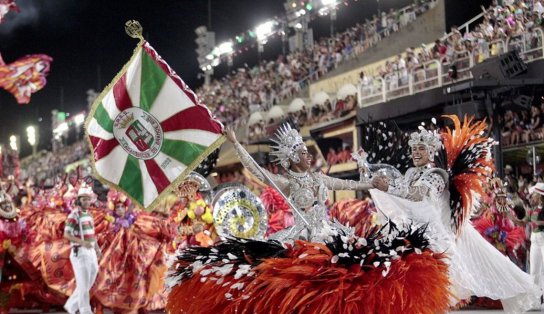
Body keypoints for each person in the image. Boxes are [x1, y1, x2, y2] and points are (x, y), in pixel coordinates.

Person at [371, 124, 540, 313]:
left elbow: (417, 194)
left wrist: (388, 188)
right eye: (413, 149)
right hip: (417, 238)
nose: (416, 152)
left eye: (421, 148)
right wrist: (366, 176)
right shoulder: (410, 174)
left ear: (431, 152)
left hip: (437, 240)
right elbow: (399, 194)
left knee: (437, 289)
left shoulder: (437, 175)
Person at [224, 123, 372, 242]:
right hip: (303, 238)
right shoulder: (286, 183)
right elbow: (256, 170)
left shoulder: (318, 178)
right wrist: (236, 143)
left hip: (329, 231)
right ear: (294, 158)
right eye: (304, 153)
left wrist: (372, 184)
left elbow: (348, 184)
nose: (309, 156)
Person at [63, 185, 100, 314]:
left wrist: (97, 249)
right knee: (83, 284)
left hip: (91, 252)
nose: (86, 202)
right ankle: (85, 311)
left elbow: (92, 234)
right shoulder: (74, 215)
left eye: (88, 199)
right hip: (79, 252)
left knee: (89, 281)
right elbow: (67, 234)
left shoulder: (89, 215)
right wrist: (82, 242)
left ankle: (71, 306)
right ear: (79, 200)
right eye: (84, 199)